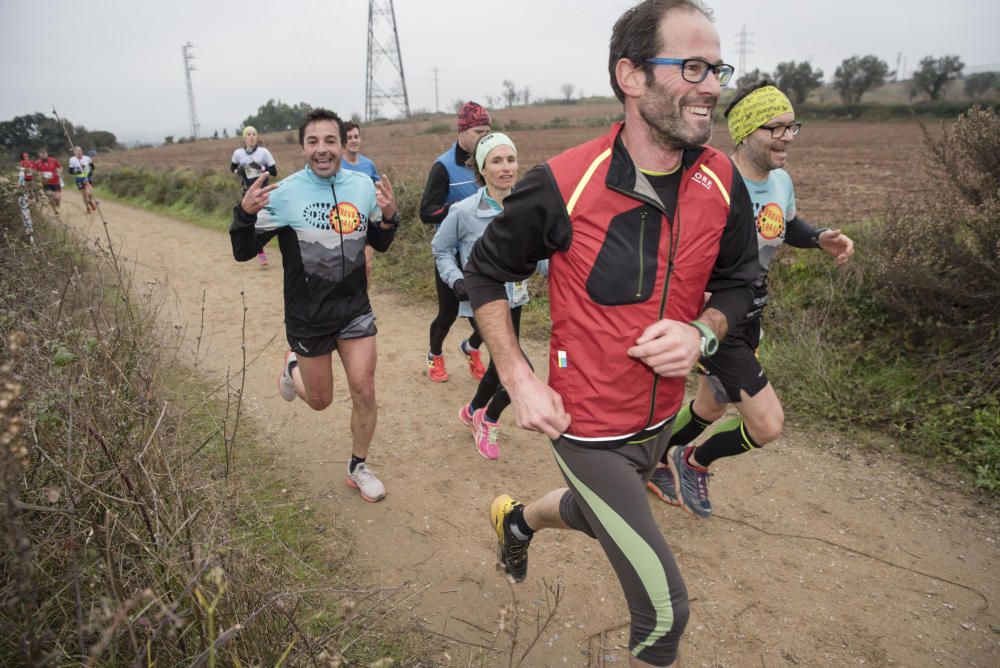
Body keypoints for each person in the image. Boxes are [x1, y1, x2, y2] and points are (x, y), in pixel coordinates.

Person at [464, 2, 760, 665]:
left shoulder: (721, 179)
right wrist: (517, 377)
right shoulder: (564, 183)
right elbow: (483, 273)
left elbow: (742, 282)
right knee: (664, 609)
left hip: (661, 418)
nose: (712, 85)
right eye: (691, 66)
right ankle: (535, 519)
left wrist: (702, 333)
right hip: (587, 427)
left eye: (717, 68)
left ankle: (515, 520)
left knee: (601, 518)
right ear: (630, 75)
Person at [647, 81, 855, 518]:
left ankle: (652, 460)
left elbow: (787, 224)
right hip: (717, 317)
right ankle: (695, 460)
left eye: (791, 126)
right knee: (767, 424)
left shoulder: (780, 181)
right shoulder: (713, 181)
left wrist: (818, 238)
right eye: (774, 127)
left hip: (752, 311)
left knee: (710, 404)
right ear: (744, 131)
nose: (786, 136)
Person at [230, 108, 400, 503]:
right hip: (308, 317)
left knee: (365, 389)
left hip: (355, 310)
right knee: (321, 401)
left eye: (330, 141)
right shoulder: (285, 193)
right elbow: (242, 251)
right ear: (303, 147)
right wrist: (244, 213)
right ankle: (292, 368)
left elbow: (381, 240)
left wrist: (389, 218)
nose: (322, 149)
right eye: (313, 142)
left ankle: (358, 466)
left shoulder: (362, 186)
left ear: (343, 144)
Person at [432, 132, 547, 460]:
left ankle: (472, 410)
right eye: (496, 161)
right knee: (519, 366)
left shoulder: (526, 208)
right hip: (481, 300)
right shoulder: (464, 211)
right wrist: (456, 280)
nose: (506, 167)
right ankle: (488, 418)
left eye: (510, 159)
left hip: (516, 297)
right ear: (482, 168)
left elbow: (539, 256)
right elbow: (440, 249)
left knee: (501, 366)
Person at [419, 101, 492, 383]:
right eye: (477, 131)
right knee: (448, 313)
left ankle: (470, 347)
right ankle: (434, 354)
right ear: (462, 131)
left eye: (487, 131)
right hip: (451, 254)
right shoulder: (444, 167)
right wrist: (460, 209)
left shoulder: (489, 160)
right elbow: (426, 212)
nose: (483, 137)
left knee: (488, 318)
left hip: (484, 253)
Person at [230, 126, 278, 266]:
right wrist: (238, 171)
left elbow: (274, 171)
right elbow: (232, 168)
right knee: (253, 222)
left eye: (254, 134)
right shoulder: (238, 153)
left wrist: (260, 168)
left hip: (264, 192)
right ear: (244, 138)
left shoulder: (263, 152)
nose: (251, 136)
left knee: (268, 220)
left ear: (257, 137)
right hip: (247, 193)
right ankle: (261, 253)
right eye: (248, 134)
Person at [341, 121, 381, 282]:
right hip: (343, 223)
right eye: (349, 137)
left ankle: (363, 305)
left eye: (356, 136)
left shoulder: (368, 165)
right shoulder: (337, 165)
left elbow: (377, 188)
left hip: (366, 222)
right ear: (343, 141)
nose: (353, 140)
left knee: (366, 266)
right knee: (346, 269)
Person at [68, 146, 97, 212]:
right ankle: (87, 207)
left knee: (89, 193)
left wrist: (89, 173)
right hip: (79, 179)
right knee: (84, 195)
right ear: (74, 152)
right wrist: (77, 171)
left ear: (82, 151)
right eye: (77, 151)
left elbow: (92, 167)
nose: (79, 152)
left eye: (80, 151)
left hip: (87, 178)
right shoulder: (72, 159)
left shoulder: (87, 158)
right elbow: (70, 171)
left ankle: (90, 201)